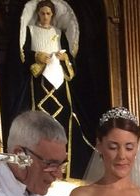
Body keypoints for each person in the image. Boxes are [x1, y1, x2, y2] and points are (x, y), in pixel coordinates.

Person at [17, 0, 89, 170]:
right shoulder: (31, 30)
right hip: (39, 83)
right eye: (42, 13)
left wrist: (65, 59)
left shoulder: (59, 33)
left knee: (63, 114)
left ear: (53, 15)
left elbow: (69, 57)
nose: (45, 17)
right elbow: (23, 55)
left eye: (48, 13)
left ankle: (62, 164)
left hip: (59, 85)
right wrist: (36, 57)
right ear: (38, 14)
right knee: (39, 118)